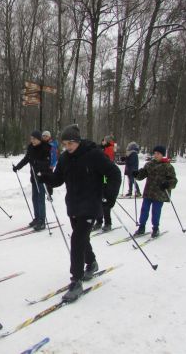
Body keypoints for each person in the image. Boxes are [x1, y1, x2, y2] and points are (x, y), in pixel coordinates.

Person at [40, 124, 121, 302]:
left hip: (91, 204)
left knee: (76, 239)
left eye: (70, 144)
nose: (67, 147)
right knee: (82, 238)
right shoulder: (64, 158)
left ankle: (76, 281)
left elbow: (114, 173)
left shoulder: (93, 155)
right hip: (74, 205)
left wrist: (109, 195)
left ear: (77, 141)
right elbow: (58, 179)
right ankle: (91, 263)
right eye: (64, 144)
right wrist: (46, 177)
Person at [133, 145, 178, 238]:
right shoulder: (149, 164)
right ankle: (141, 227)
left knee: (156, 212)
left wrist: (167, 183)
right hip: (148, 192)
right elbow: (141, 175)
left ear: (162, 155)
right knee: (144, 210)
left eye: (158, 153)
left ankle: (156, 228)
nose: (156, 155)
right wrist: (136, 174)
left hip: (160, 194)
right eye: (155, 153)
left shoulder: (168, 166)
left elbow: (173, 181)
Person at [12, 130, 51, 231]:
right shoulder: (31, 147)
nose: (32, 141)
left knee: (40, 199)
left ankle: (42, 221)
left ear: (39, 139)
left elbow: (47, 163)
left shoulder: (45, 147)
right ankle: (37, 218)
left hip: (41, 176)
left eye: (34, 139)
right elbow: (26, 159)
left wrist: (37, 163)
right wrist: (17, 167)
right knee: (34, 198)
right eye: (31, 139)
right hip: (34, 176)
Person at [92, 135, 116, 232]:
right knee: (98, 201)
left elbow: (108, 160)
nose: (103, 142)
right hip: (100, 175)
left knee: (105, 203)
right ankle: (99, 221)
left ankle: (108, 223)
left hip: (106, 175)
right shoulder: (103, 148)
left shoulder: (109, 148)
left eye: (104, 141)